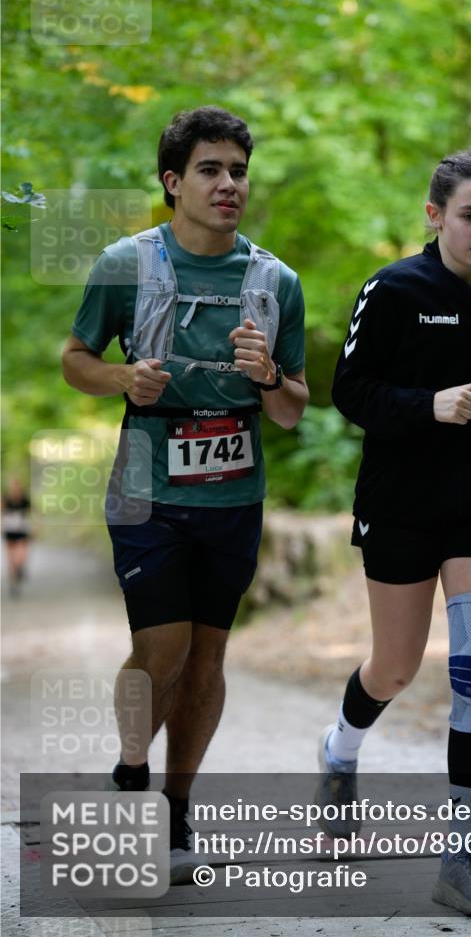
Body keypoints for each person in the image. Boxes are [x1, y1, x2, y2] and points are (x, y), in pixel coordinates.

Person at [62, 106, 308, 884]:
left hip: (234, 493)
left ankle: (174, 807)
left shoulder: (275, 282)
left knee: (207, 658)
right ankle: (132, 768)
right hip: (145, 485)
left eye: (237, 170)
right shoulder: (125, 264)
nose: (228, 183)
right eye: (210, 169)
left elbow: (293, 408)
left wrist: (268, 374)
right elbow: (75, 359)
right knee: (163, 645)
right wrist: (120, 378)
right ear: (173, 182)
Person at [316, 150, 471, 917]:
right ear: (433, 215)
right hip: (402, 502)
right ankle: (338, 754)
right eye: (469, 215)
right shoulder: (392, 289)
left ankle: (461, 859)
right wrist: (426, 406)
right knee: (393, 668)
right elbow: (349, 390)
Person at [2, 475, 32, 596]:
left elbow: (33, 515)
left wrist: (36, 527)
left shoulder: (25, 501)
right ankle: (13, 584)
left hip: (22, 531)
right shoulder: (6, 500)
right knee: (11, 560)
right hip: (9, 531)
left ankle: (20, 570)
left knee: (20, 557)